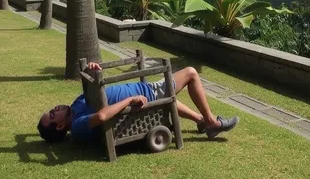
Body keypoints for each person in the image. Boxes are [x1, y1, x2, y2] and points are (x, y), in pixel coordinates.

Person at [38, 62, 239, 144]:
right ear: (61, 126)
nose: (54, 109)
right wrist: (130, 99)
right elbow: (101, 116)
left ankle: (200, 120)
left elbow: (96, 92)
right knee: (191, 73)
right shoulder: (79, 124)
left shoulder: (75, 106)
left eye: (51, 110)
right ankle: (212, 122)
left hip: (145, 92)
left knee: (168, 98)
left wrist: (93, 70)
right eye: (53, 115)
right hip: (146, 95)